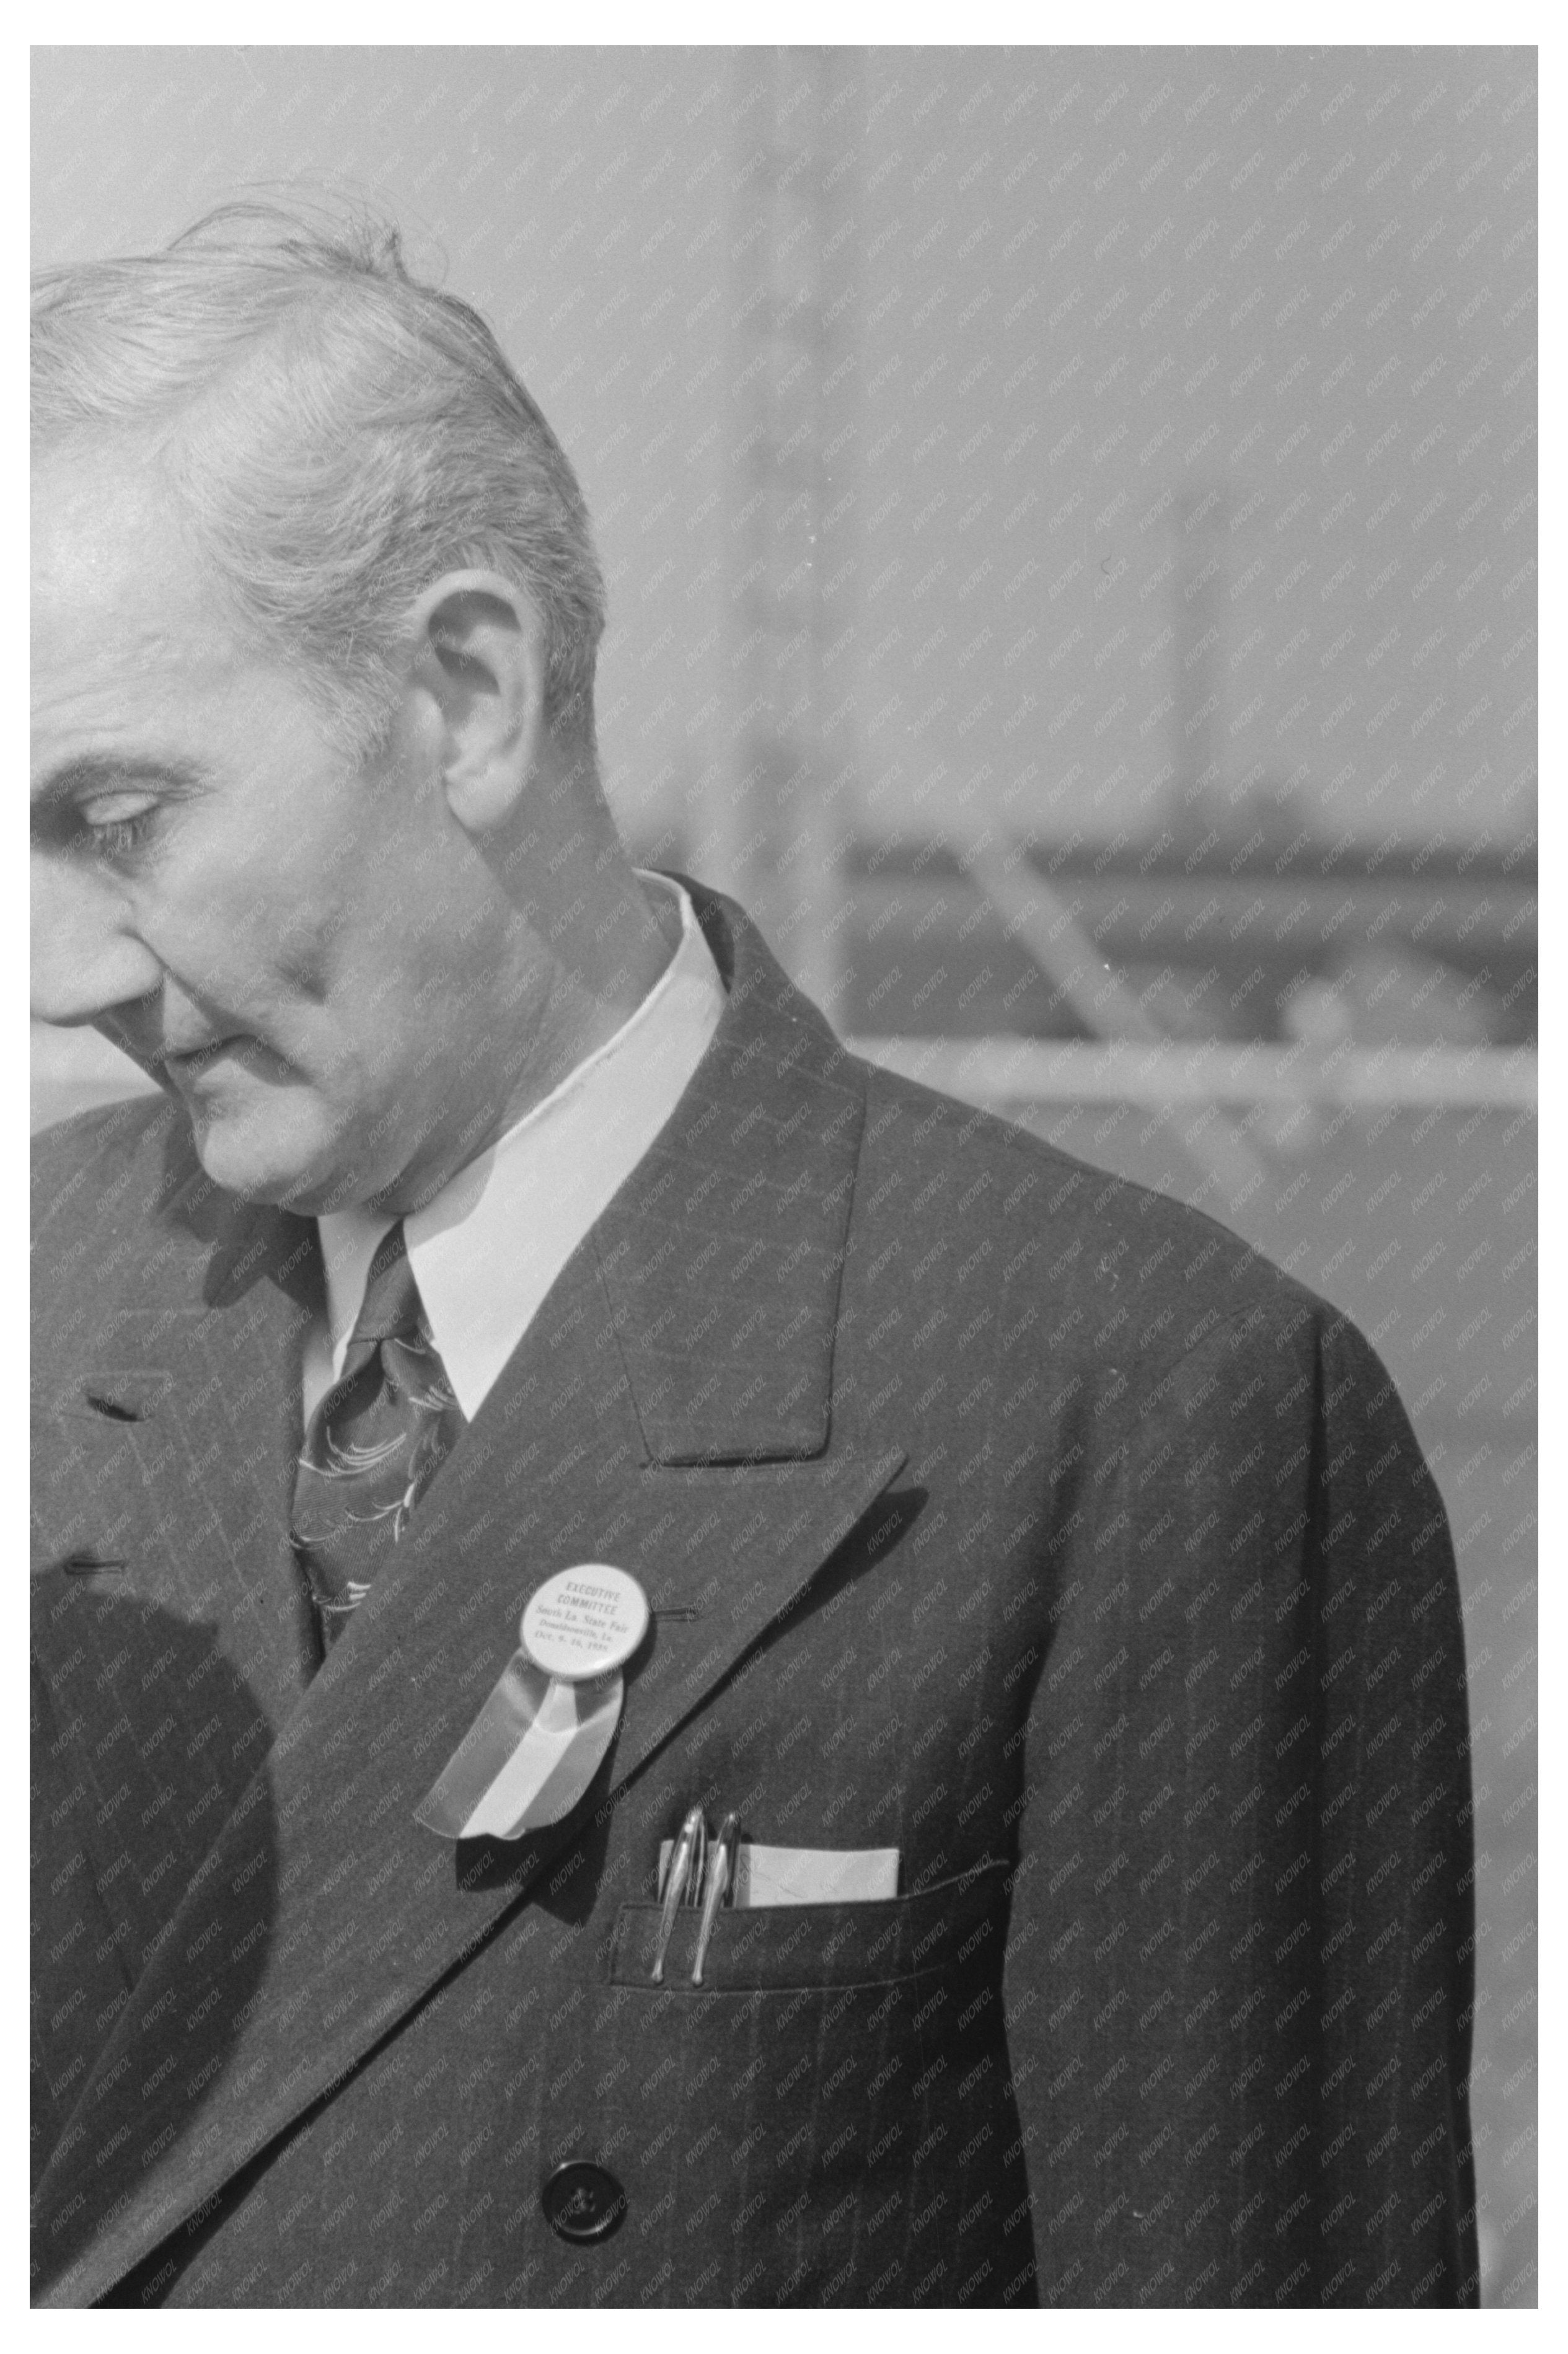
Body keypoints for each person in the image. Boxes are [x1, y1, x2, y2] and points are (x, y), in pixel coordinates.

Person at [30, 202, 1478, 2309]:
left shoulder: (1142, 1413)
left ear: (465, 695)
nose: (60, 971)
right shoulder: (36, 1297)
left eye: (124, 817)